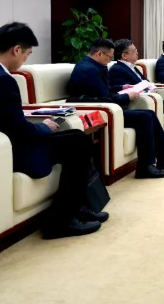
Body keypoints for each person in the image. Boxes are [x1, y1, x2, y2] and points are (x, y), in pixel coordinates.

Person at [0, 22, 107, 239]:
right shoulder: (4, 81)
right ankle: (60, 222)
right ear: (16, 50)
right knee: (79, 143)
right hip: (15, 148)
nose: (25, 60)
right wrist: (44, 126)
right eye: (27, 54)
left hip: (14, 140)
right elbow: (19, 130)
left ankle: (78, 207)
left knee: (77, 138)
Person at [68, 39, 164, 179]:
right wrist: (127, 96)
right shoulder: (89, 70)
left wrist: (121, 87)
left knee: (149, 114)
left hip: (106, 107)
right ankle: (145, 167)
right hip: (101, 111)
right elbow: (105, 98)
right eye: (109, 57)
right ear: (99, 53)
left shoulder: (91, 65)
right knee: (145, 117)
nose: (110, 60)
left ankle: (163, 158)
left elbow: (104, 90)